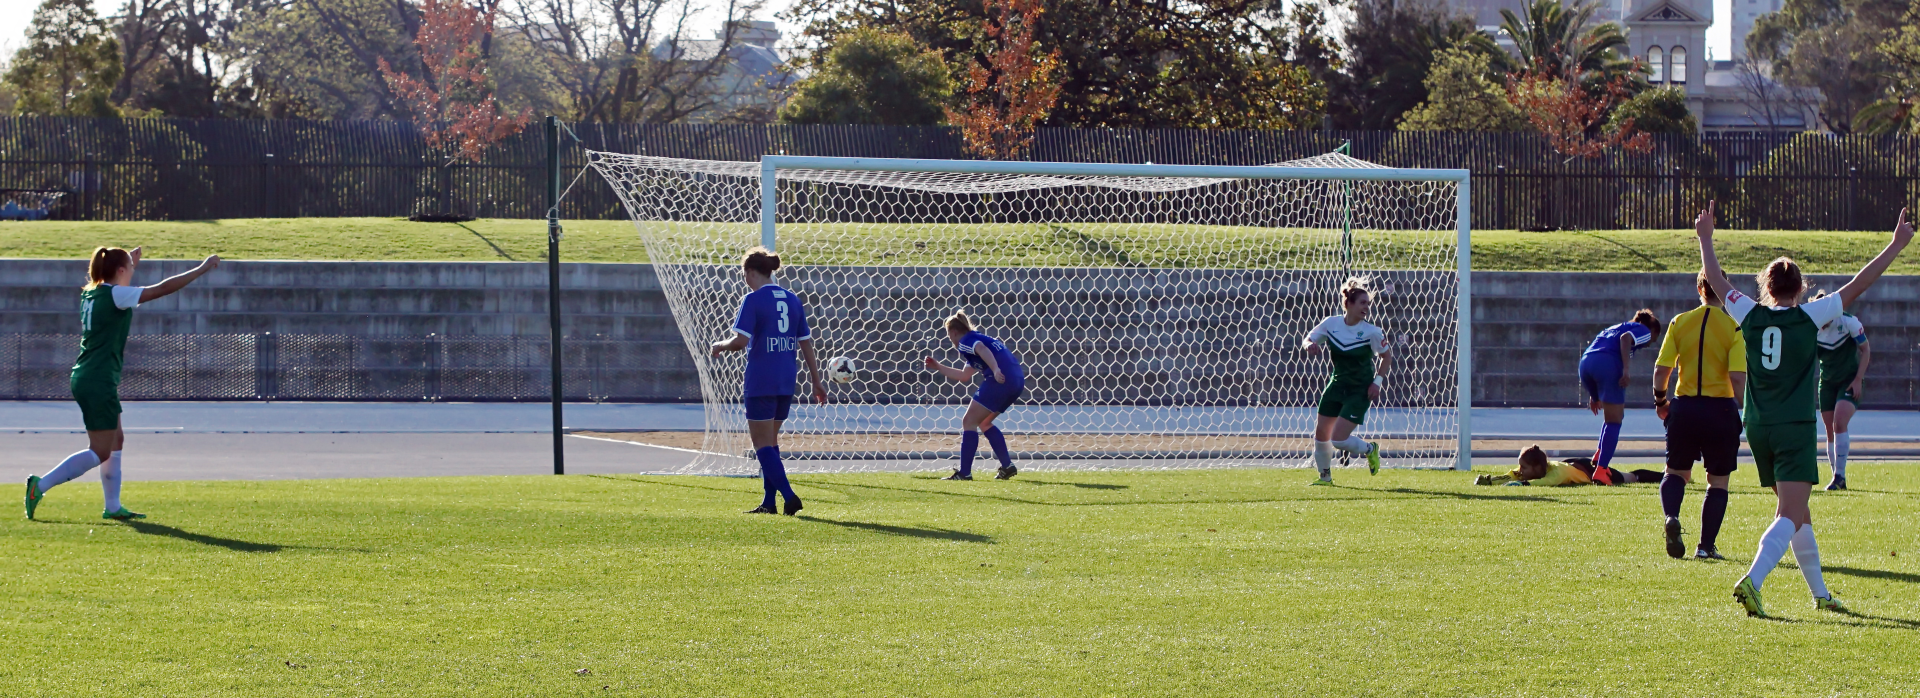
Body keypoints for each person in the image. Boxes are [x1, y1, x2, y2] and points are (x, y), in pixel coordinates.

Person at [1699, 202, 1910, 617]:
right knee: (1789, 514)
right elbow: (1859, 284)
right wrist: (1895, 245)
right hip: (1793, 427)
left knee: (1799, 513)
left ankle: (1821, 594)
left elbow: (1718, 283)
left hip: (1758, 427)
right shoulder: (1810, 315)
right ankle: (1753, 580)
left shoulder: (1750, 313)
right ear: (1799, 288)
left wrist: (1706, 238)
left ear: (1766, 287)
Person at [25, 246, 221, 521]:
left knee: (116, 440)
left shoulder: (93, 292)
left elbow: (117, 287)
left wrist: (129, 264)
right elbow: (162, 289)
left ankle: (113, 506)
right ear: (120, 270)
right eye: (129, 267)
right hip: (98, 378)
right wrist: (201, 269)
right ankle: (40, 486)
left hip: (89, 375)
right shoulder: (116, 295)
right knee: (100, 450)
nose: (132, 270)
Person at [710, 247, 827, 515]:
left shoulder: (753, 300)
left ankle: (790, 496)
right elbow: (805, 343)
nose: (744, 280)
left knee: (761, 444)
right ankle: (768, 503)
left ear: (751, 272)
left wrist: (720, 345)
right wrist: (816, 381)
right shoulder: (793, 299)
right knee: (771, 442)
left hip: (761, 379)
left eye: (744, 274)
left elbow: (740, 342)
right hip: (786, 380)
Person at [1650, 270, 1747, 560]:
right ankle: (1705, 546)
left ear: (1699, 289)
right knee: (1717, 481)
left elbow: (1661, 371)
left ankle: (1671, 517)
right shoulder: (1733, 328)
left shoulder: (1679, 322)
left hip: (1685, 408)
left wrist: (1661, 401)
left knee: (1675, 472)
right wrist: (1745, 410)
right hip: (1720, 410)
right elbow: (1737, 378)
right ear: (1725, 291)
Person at [1300, 278, 1391, 485]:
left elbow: (1387, 357)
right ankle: (1325, 478)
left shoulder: (1372, 332)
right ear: (1348, 304)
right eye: (1362, 303)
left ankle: (1370, 449)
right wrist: (1309, 345)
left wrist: (1377, 382)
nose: (1366, 307)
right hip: (1336, 385)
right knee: (1321, 434)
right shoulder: (1331, 324)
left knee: (1339, 439)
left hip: (1360, 390)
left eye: (1368, 303)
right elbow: (1308, 338)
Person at [924, 311, 1025, 481]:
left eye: (949, 335)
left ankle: (965, 473)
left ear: (953, 332)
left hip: (1000, 379)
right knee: (984, 422)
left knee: (968, 421)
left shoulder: (966, 341)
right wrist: (939, 366)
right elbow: (964, 375)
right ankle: (1007, 466)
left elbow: (981, 348)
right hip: (1016, 381)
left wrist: (995, 369)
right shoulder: (975, 340)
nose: (950, 339)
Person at [1578, 309, 1662, 485]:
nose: (1649, 343)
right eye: (1654, 339)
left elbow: (1599, 345)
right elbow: (1626, 339)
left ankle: (1599, 456)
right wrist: (1626, 369)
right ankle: (1601, 471)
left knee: (1610, 418)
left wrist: (1594, 394)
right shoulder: (1643, 330)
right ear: (1653, 330)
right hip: (1608, 365)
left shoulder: (1615, 327)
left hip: (1586, 363)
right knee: (1615, 421)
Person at [1811, 290, 1869, 491]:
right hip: (1827, 383)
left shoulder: (1848, 322)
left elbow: (1865, 349)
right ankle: (1836, 478)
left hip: (1848, 380)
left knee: (1839, 422)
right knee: (1829, 430)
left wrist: (1858, 379)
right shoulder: (1812, 326)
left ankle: (1840, 475)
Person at [1474, 445, 1661, 487]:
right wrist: (1491, 480)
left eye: (1524, 467)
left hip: (1588, 471)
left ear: (1537, 468)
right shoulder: (1535, 469)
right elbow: (1512, 475)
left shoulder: (1557, 474)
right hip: (1573, 463)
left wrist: (1520, 485)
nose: (1520, 470)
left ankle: (1666, 477)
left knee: (1630, 478)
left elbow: (1546, 483)